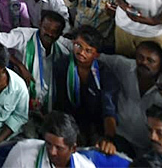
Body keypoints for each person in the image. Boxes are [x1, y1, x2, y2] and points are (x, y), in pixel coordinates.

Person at [50, 26, 122, 155]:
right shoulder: (62, 65)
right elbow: (59, 102)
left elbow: (109, 110)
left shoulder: (105, 75)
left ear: (97, 54)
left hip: (96, 123)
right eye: (78, 46)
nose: (81, 53)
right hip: (70, 119)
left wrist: (109, 139)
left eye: (88, 51)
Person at [1, 111, 93, 168]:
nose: (52, 152)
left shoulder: (85, 166)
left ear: (73, 149)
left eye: (59, 148)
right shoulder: (22, 154)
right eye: (48, 144)